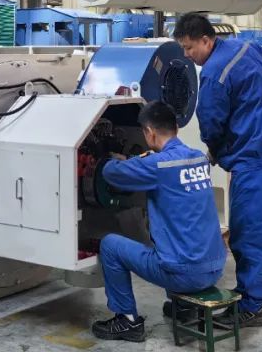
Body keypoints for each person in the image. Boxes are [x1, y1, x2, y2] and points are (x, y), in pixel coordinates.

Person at [174, 14, 262, 329]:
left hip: (254, 159)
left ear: (206, 40)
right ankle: (257, 291)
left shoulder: (213, 74)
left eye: (189, 48)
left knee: (246, 231)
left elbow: (211, 126)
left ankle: (251, 305)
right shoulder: (245, 47)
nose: (187, 55)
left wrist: (214, 153)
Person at [91, 101, 227, 343]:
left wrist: (109, 159)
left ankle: (127, 321)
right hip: (215, 268)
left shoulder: (158, 165)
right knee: (177, 235)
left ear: (149, 132)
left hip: (184, 274)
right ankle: (183, 307)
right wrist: (136, 161)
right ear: (176, 127)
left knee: (110, 244)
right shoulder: (197, 158)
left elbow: (111, 174)